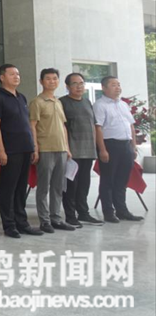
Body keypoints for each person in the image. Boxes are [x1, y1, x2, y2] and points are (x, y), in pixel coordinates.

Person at [0, 64, 43, 238]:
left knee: (21, 188)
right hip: (10, 150)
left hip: (26, 147)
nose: (16, 77)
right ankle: (9, 224)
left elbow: (27, 124)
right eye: (12, 74)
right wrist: (1, 151)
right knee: (8, 188)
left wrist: (33, 146)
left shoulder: (21, 97)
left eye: (18, 74)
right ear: (2, 77)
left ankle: (22, 222)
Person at [29, 68, 75, 233]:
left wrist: (67, 148)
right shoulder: (37, 102)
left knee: (58, 186)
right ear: (41, 82)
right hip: (45, 149)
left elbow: (63, 126)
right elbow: (32, 126)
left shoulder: (58, 101)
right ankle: (45, 220)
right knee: (44, 187)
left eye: (55, 78)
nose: (52, 81)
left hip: (61, 149)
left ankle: (56, 218)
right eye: (48, 79)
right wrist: (35, 147)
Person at [93, 76, 144, 223]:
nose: (118, 87)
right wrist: (102, 150)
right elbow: (98, 128)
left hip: (126, 145)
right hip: (110, 145)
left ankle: (122, 211)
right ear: (104, 88)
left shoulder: (123, 105)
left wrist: (133, 146)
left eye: (119, 85)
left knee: (122, 180)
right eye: (113, 85)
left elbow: (131, 126)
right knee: (108, 180)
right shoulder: (100, 105)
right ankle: (108, 212)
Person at [60, 73, 104, 226]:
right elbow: (61, 128)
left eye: (81, 83)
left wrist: (96, 147)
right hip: (72, 151)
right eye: (75, 83)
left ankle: (83, 213)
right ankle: (70, 215)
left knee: (84, 184)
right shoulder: (62, 102)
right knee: (71, 185)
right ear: (67, 86)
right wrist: (66, 148)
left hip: (88, 150)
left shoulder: (87, 102)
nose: (79, 86)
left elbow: (93, 125)